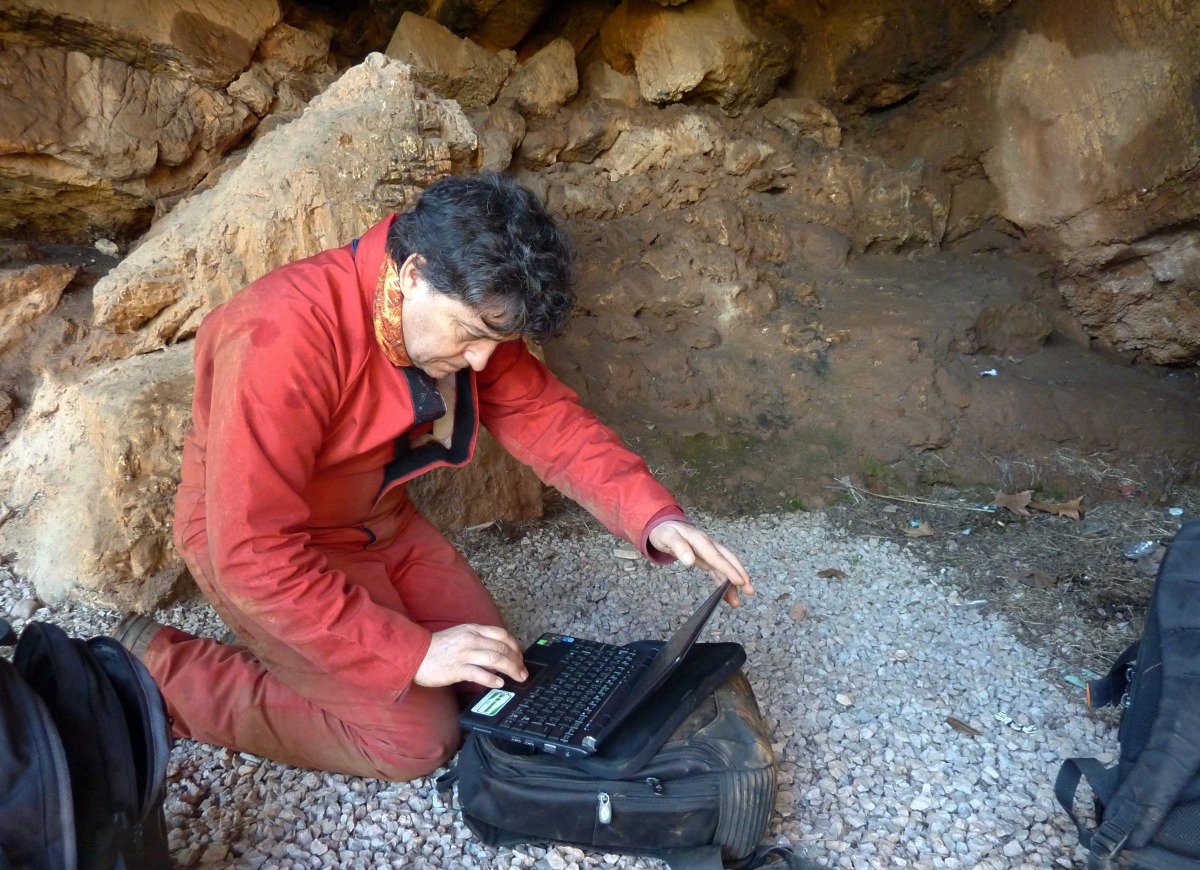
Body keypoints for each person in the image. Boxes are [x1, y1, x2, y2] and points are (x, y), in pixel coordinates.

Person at [114, 171, 753, 782]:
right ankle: (161, 672)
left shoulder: (464, 304)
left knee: (495, 682)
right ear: (412, 274)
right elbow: (252, 554)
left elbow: (546, 419)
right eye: (471, 336)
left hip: (380, 524)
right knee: (417, 740)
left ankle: (312, 664)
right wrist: (414, 654)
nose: (482, 361)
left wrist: (654, 517)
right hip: (269, 550)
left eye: (496, 342)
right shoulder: (279, 334)